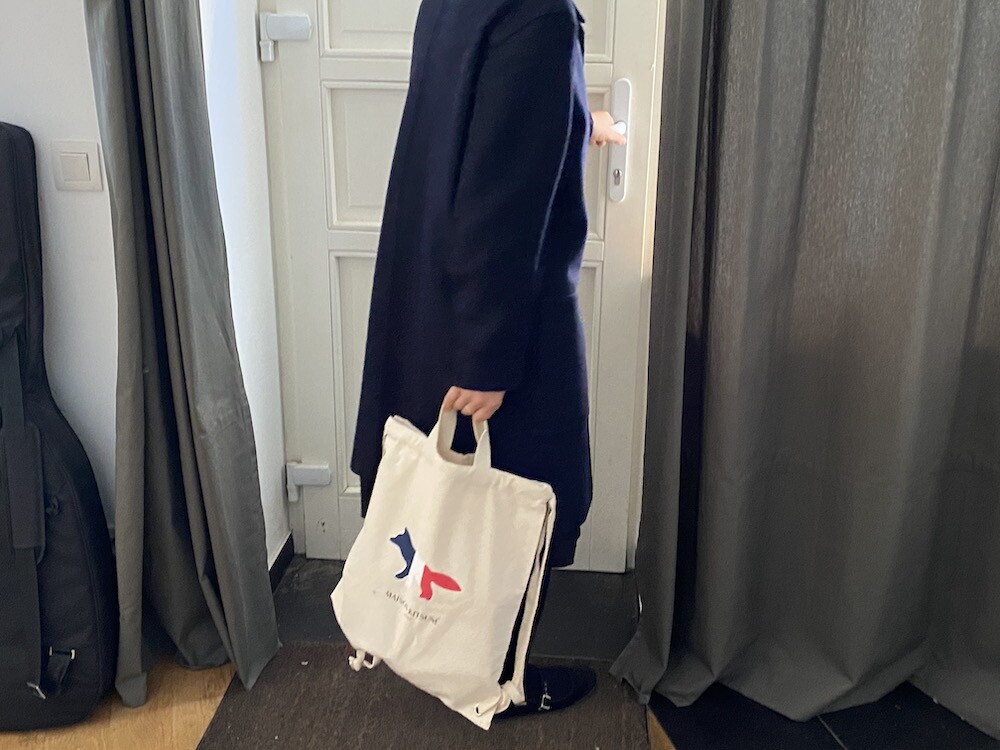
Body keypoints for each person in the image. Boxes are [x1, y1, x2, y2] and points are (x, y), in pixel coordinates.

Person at [351, 0, 626, 717]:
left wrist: (579, 122)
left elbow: (481, 124)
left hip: (440, 291)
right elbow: (498, 199)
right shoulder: (540, 17)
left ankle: (456, 653)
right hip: (501, 316)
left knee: (469, 504)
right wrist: (487, 359)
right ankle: (498, 682)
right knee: (523, 501)